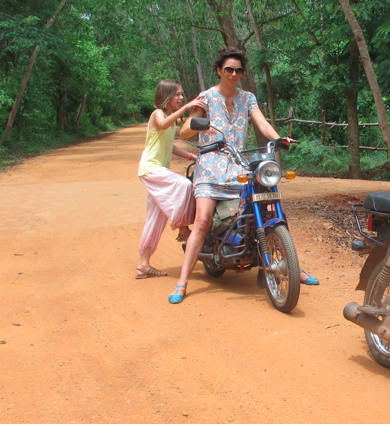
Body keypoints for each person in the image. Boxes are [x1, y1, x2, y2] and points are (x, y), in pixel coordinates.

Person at [169, 48, 316, 303]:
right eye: (229, 69)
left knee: (270, 206)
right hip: (210, 168)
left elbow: (262, 122)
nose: (234, 74)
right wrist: (197, 122)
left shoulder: (248, 98)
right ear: (219, 71)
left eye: (238, 70)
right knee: (203, 221)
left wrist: (278, 138)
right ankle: (182, 283)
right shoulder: (206, 98)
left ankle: (293, 266)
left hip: (238, 167)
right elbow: (183, 132)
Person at [135, 80, 197, 279]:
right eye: (177, 94)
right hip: (151, 169)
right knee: (185, 184)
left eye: (182, 95)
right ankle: (182, 227)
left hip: (158, 169)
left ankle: (143, 265)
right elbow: (161, 124)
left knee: (156, 219)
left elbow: (169, 147)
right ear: (166, 95)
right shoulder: (158, 114)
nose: (181, 98)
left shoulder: (171, 119)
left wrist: (192, 157)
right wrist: (187, 108)